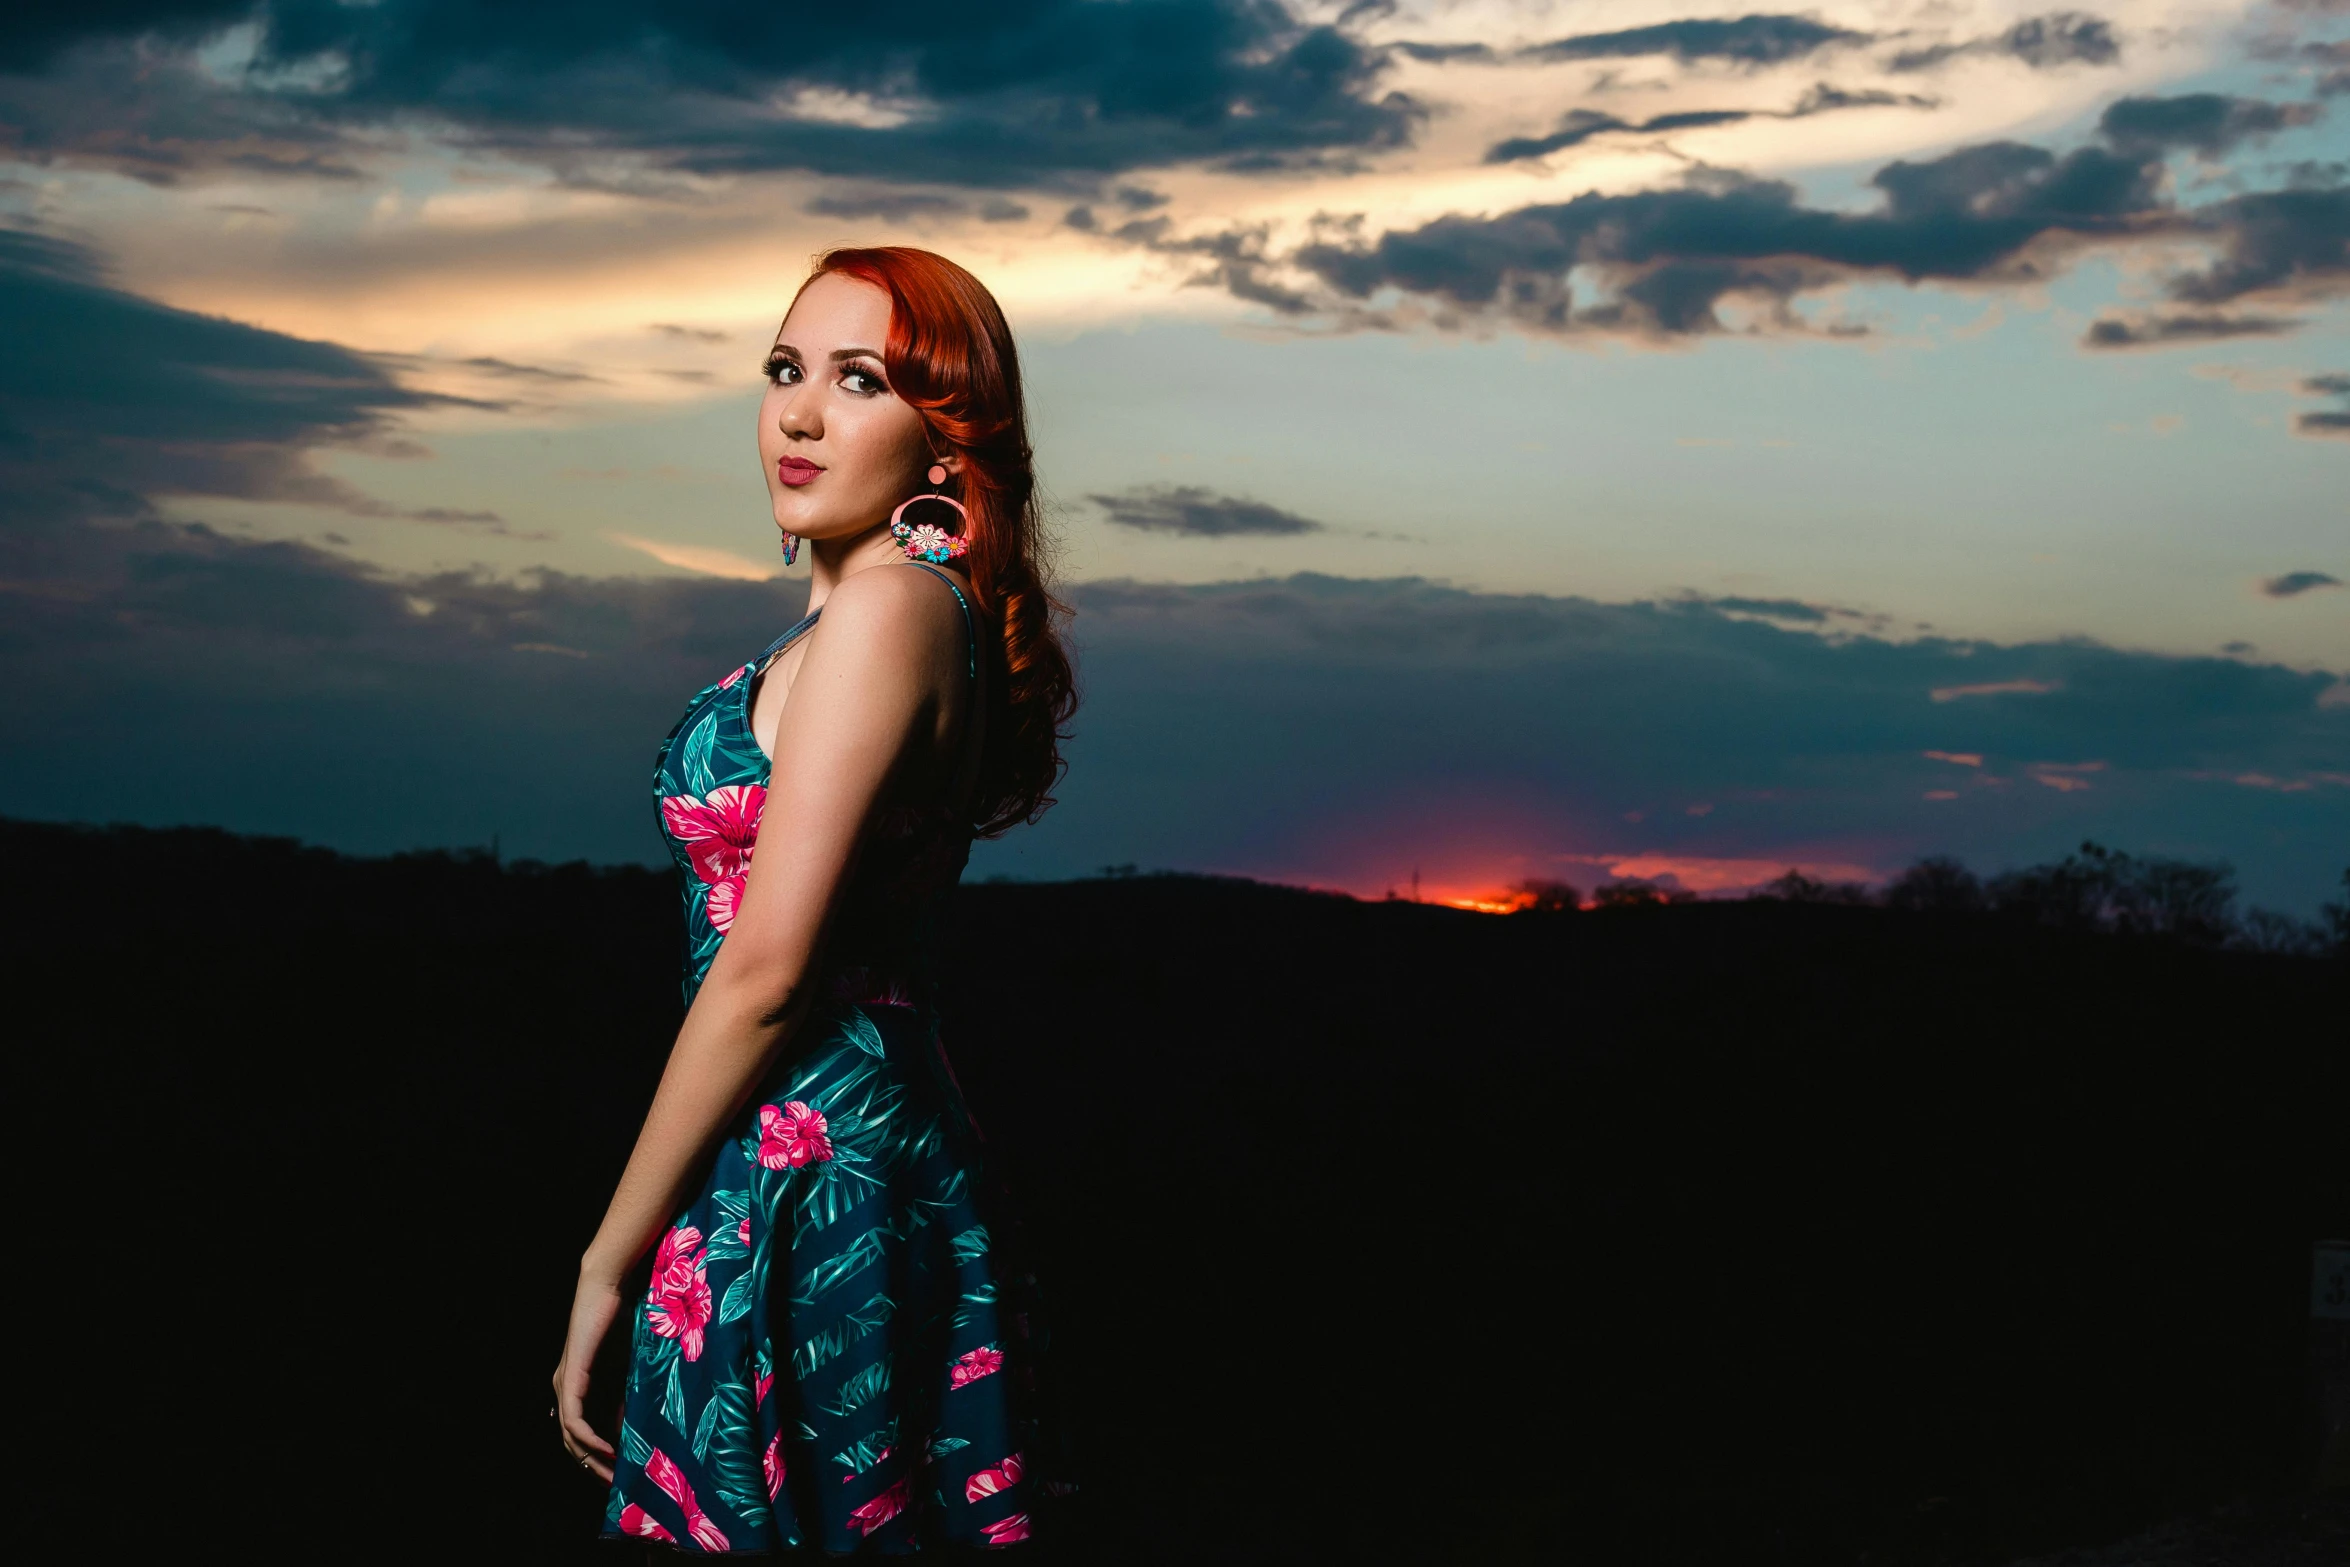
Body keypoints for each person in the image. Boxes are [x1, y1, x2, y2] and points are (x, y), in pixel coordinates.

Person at [551, 247, 1077, 1553]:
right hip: (792, 1153)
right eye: (786, 369)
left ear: (946, 447)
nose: (798, 411)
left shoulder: (894, 609)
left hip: (815, 1172)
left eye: (858, 380)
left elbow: (768, 965)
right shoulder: (865, 619)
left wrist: (601, 1260)